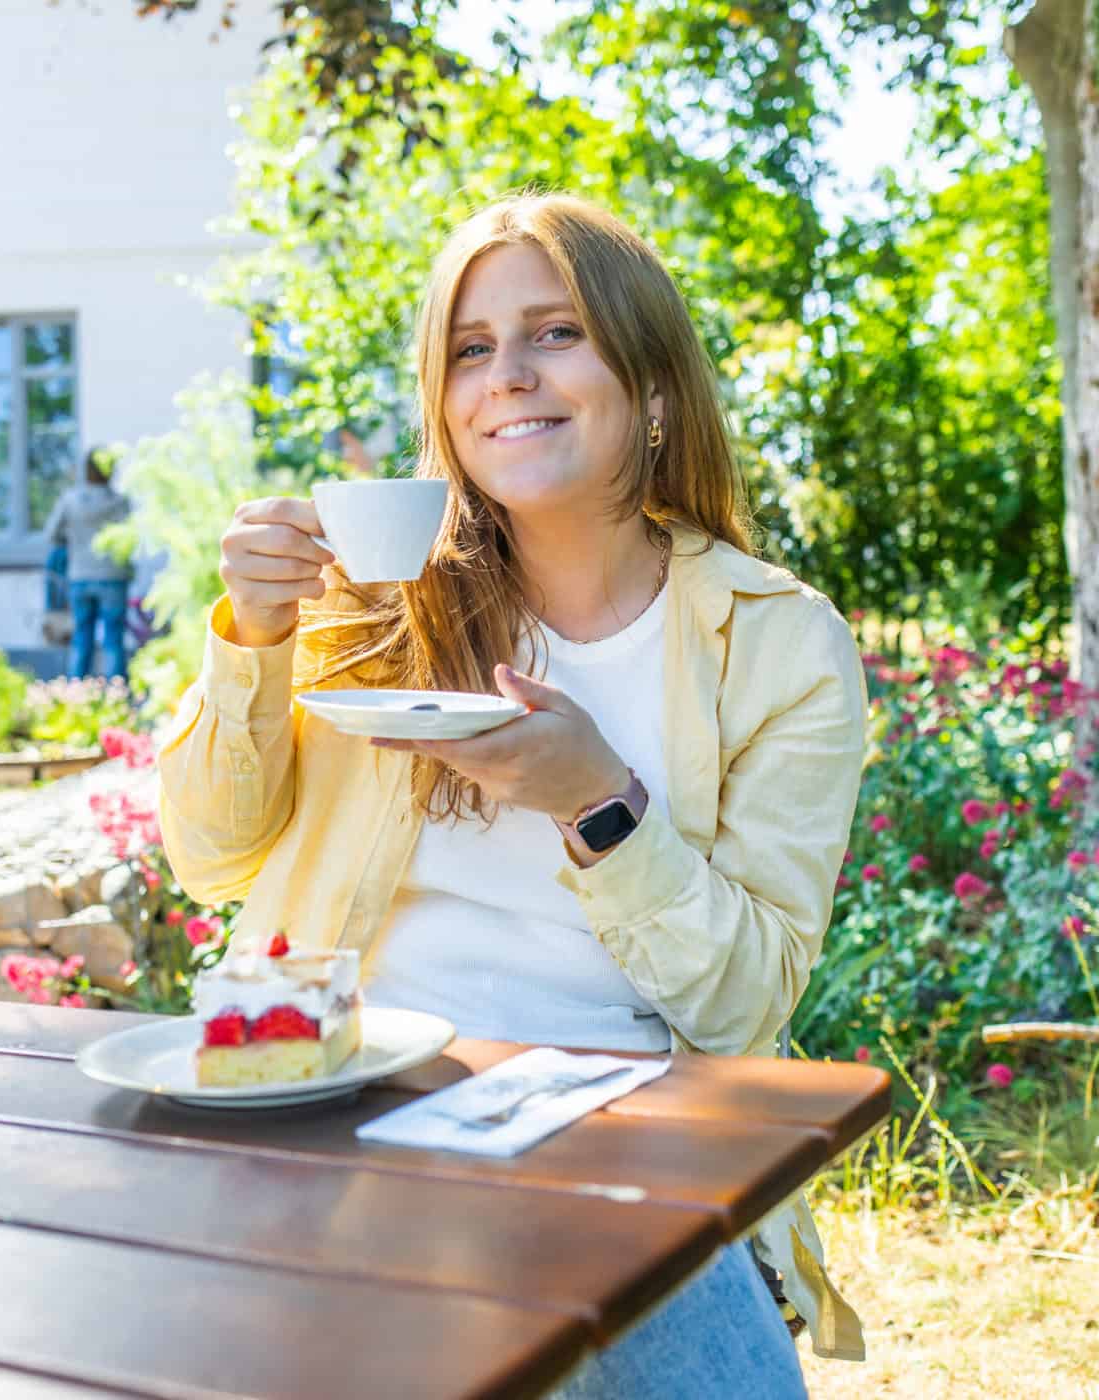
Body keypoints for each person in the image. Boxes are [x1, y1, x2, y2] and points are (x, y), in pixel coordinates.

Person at [158, 194, 867, 1397]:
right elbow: (211, 856)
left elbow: (750, 997)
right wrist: (256, 633)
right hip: (351, 1096)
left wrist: (599, 800)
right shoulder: (371, 609)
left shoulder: (781, 642)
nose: (507, 378)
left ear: (650, 386)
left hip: (631, 1118)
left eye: (555, 333)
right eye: (471, 350)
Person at [43, 445, 133, 679]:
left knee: (82, 638)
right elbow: (130, 538)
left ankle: (77, 696)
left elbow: (52, 534)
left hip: (80, 575)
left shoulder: (71, 501)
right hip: (113, 576)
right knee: (113, 639)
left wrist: (73, 540)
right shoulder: (121, 503)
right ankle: (118, 698)